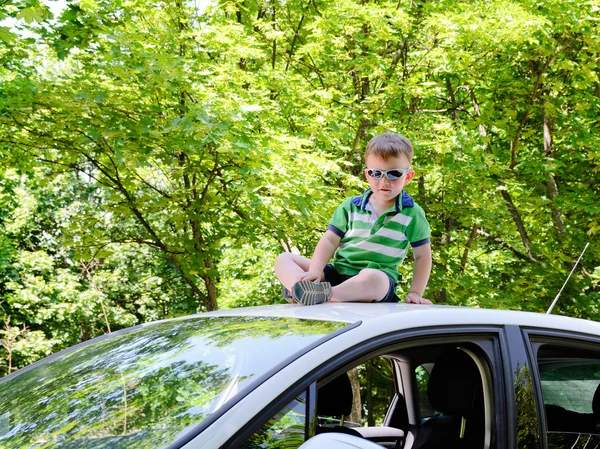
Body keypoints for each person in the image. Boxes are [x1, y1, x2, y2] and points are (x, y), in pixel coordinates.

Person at [274, 132, 432, 305]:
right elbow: (329, 240)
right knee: (284, 259)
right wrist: (316, 270)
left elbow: (422, 256)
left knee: (375, 278)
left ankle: (321, 295)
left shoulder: (411, 213)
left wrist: (415, 292)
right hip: (336, 273)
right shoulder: (351, 206)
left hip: (372, 280)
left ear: (407, 176)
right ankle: (302, 288)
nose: (384, 181)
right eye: (376, 173)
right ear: (367, 175)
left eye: (394, 173)